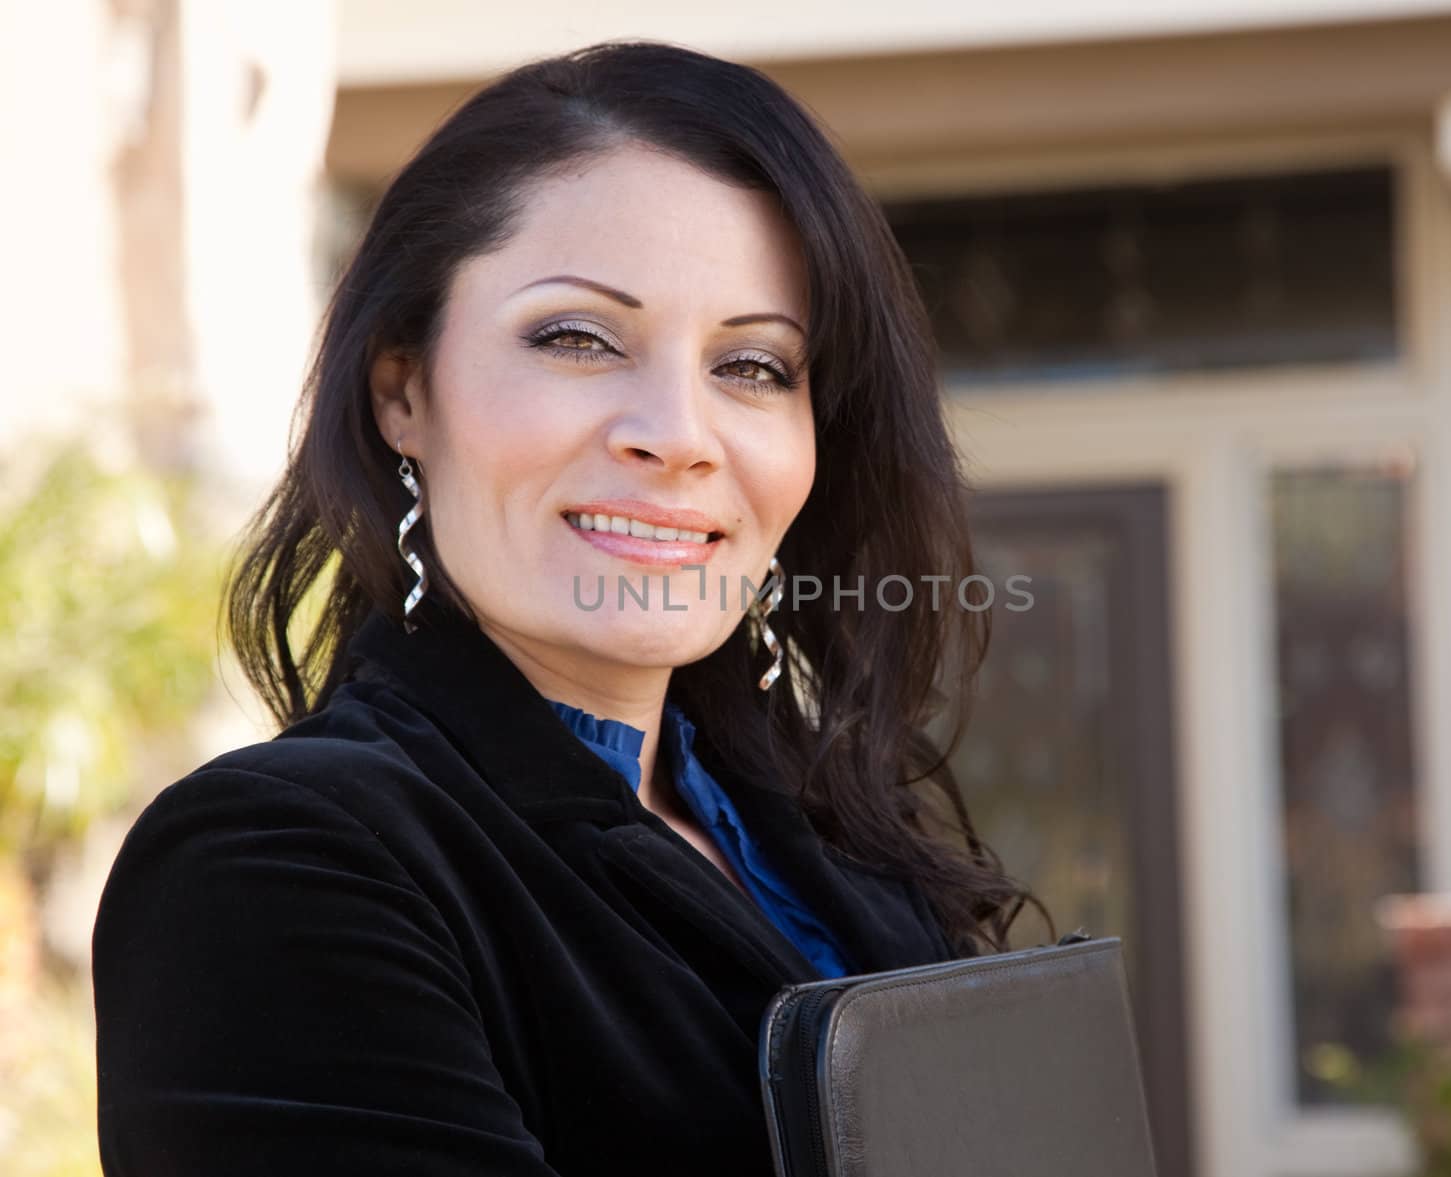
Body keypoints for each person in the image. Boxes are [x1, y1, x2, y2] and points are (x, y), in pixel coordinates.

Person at [92, 39, 1036, 1177]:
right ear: (402, 390)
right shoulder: (276, 863)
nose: (677, 435)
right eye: (578, 338)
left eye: (753, 366)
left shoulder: (827, 832)